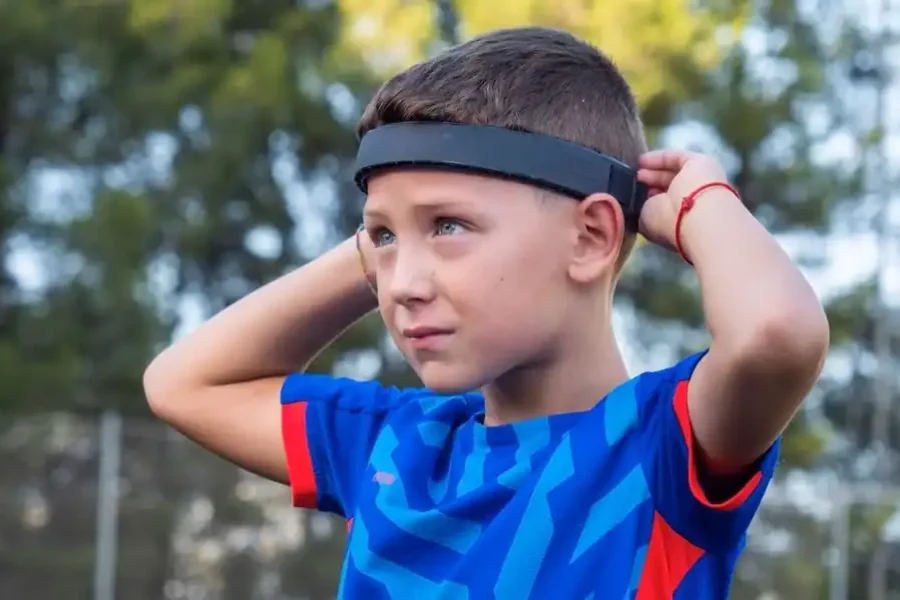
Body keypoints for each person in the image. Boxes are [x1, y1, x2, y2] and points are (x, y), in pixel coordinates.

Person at [144, 26, 829, 599]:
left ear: (591, 237)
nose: (403, 284)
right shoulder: (390, 448)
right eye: (381, 238)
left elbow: (775, 333)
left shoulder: (661, 448)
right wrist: (380, 245)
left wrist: (702, 207)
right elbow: (182, 384)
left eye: (448, 227)